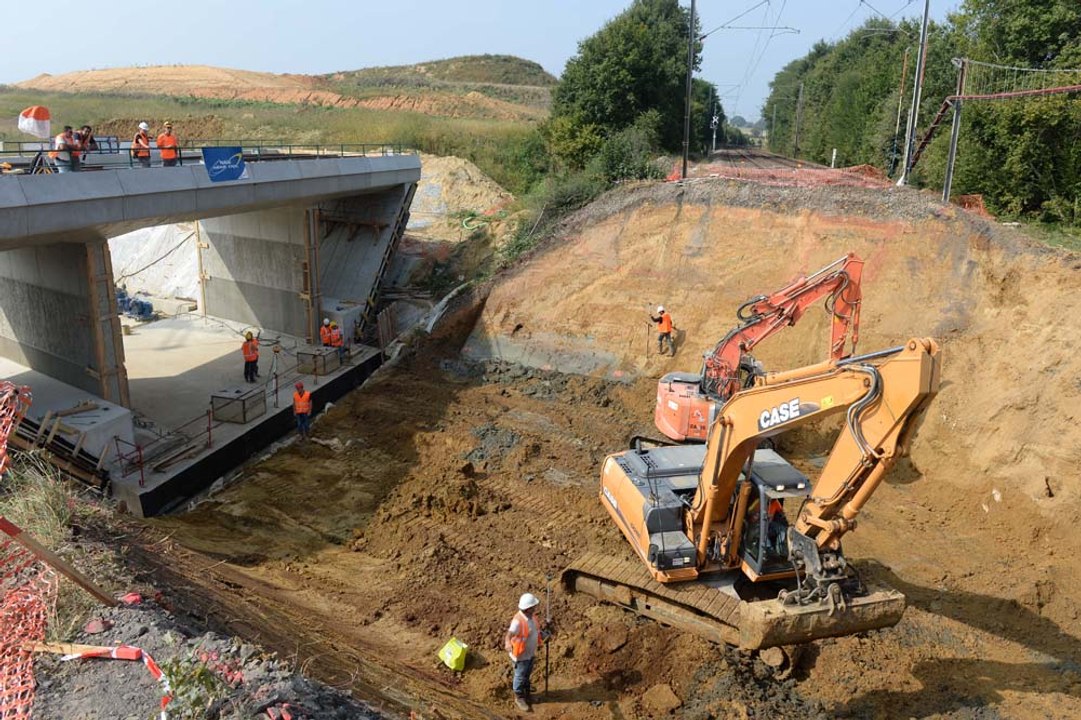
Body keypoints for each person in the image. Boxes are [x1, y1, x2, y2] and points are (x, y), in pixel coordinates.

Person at [504, 592, 543, 712]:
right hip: (520, 656)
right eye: (533, 607)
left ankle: (527, 694)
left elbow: (535, 631)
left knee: (527, 675)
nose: (535, 608)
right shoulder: (518, 621)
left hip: (529, 654)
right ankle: (519, 697)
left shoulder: (532, 617)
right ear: (528, 608)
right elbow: (509, 634)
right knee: (520, 676)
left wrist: (544, 634)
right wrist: (507, 643)